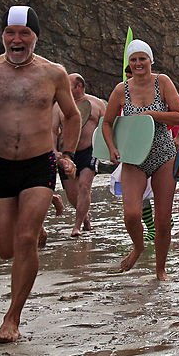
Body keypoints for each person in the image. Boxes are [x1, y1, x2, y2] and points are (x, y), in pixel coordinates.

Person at [0, 5, 80, 341]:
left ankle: (12, 318)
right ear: (2, 36)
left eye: (24, 33)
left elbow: (72, 116)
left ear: (35, 38)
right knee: (5, 248)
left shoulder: (53, 73)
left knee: (25, 239)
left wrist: (67, 154)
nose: (17, 39)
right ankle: (36, 223)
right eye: (11, 33)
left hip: (38, 163)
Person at [101, 39, 179, 280]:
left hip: (163, 154)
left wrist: (153, 115)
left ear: (151, 61)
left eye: (143, 59)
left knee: (162, 220)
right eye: (134, 59)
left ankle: (160, 269)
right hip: (133, 157)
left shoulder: (163, 82)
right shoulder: (121, 90)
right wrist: (111, 148)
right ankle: (138, 247)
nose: (139, 63)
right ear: (129, 63)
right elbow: (107, 123)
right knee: (131, 215)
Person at [58, 73, 105, 237]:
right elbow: (51, 130)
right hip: (66, 154)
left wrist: (110, 149)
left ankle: (76, 226)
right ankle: (84, 218)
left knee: (84, 186)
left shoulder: (97, 103)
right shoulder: (59, 106)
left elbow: (108, 127)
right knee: (71, 193)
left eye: (68, 84)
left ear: (78, 86)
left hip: (89, 151)